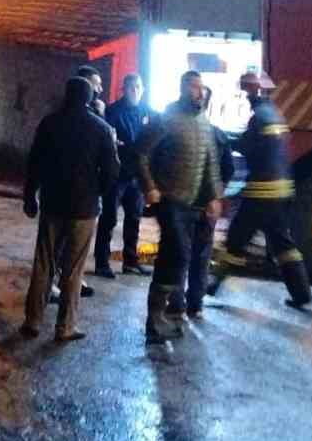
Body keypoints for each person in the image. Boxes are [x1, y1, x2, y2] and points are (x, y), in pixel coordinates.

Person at [21, 74, 119, 343]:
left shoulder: (50, 123)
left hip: (52, 203)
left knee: (44, 263)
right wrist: (98, 192)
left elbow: (34, 163)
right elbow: (112, 171)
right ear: (89, 98)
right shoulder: (101, 129)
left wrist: (30, 196)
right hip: (84, 208)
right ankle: (65, 326)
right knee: (74, 269)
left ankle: (32, 320)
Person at [207, 71, 312, 309]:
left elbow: (248, 146)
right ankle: (302, 293)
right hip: (283, 190)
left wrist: (223, 139)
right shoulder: (275, 114)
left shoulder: (258, 118)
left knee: (236, 238)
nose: (246, 97)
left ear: (252, 93)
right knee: (283, 244)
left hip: (261, 193)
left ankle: (212, 286)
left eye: (246, 93)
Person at [137, 70, 222, 342]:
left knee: (177, 255)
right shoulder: (168, 118)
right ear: (184, 88)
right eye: (195, 87)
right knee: (177, 254)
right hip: (170, 199)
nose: (200, 92)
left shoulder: (203, 121)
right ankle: (156, 319)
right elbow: (140, 153)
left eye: (202, 87)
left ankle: (166, 315)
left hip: (193, 203)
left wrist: (214, 196)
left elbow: (210, 163)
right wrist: (150, 186)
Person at [177, 85, 236, 319]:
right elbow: (228, 169)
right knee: (201, 256)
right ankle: (195, 304)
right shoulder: (218, 135)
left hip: (183, 205)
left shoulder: (179, 131)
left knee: (179, 254)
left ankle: (176, 303)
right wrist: (216, 194)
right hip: (207, 207)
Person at [94, 72, 152, 278]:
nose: (135, 91)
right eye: (131, 87)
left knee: (134, 219)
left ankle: (130, 261)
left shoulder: (148, 112)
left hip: (136, 177)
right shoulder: (113, 112)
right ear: (124, 90)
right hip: (116, 176)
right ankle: (102, 262)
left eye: (138, 87)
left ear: (143, 89)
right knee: (108, 219)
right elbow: (108, 141)